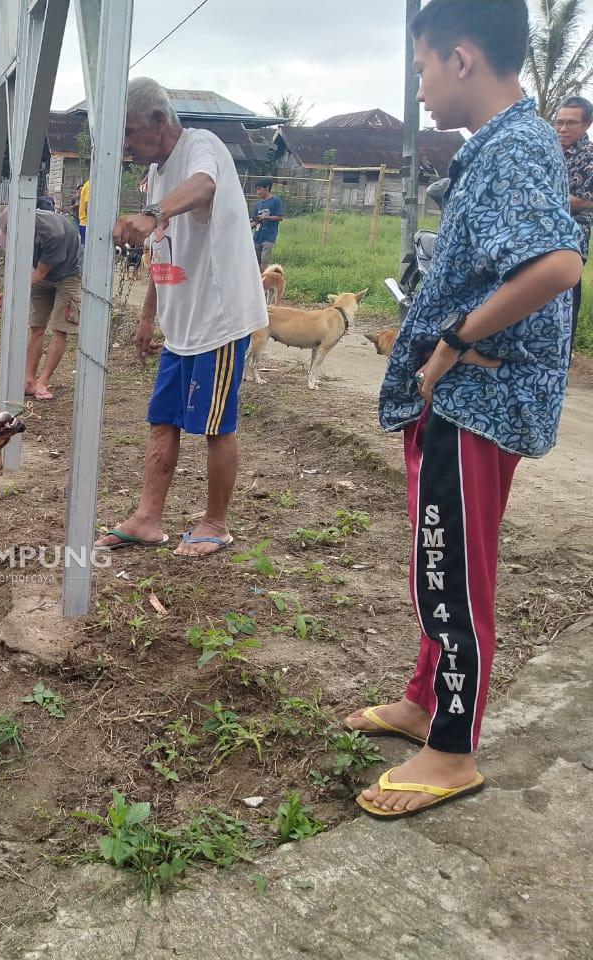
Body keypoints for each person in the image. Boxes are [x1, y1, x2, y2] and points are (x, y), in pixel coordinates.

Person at [345, 0, 582, 819]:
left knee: (453, 568)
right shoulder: (505, 145)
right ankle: (423, 700)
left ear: (462, 58)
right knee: (437, 555)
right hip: (464, 397)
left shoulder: (515, 146)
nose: (417, 91)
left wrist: (451, 340)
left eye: (419, 70)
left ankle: (452, 749)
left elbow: (557, 265)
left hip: (477, 397)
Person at [94, 78, 267, 558]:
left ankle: (216, 522)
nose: (127, 144)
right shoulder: (156, 175)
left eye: (129, 131)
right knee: (162, 420)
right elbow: (163, 248)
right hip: (181, 324)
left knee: (215, 425)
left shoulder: (200, 147)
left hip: (220, 317)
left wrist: (153, 211)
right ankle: (148, 518)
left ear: (157, 121)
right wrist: (149, 316)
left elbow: (204, 186)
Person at [0, 205, 83, 401]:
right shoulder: (6, 218)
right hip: (37, 272)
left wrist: (9, 295)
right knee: (36, 327)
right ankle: (28, 380)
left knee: (60, 328)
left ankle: (42, 382)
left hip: (67, 274)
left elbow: (41, 274)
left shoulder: (55, 233)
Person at [554, 95, 593, 354]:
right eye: (559, 122)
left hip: (569, 245)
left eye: (571, 123)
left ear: (587, 124)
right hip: (536, 242)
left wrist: (546, 199)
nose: (563, 129)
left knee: (565, 311)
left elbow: (587, 202)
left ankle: (559, 374)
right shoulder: (550, 152)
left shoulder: (589, 157)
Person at [250, 177, 284, 268]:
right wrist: (247, 227)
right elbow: (255, 221)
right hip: (257, 236)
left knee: (264, 261)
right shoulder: (258, 204)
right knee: (255, 261)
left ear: (267, 188)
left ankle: (264, 280)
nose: (257, 192)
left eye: (259, 189)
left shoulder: (275, 201)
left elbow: (280, 217)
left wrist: (266, 217)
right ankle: (257, 280)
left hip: (269, 236)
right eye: (256, 189)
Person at [77, 178, 90, 243]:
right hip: (86, 223)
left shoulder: (87, 184)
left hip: (84, 223)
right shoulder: (89, 185)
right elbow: (87, 205)